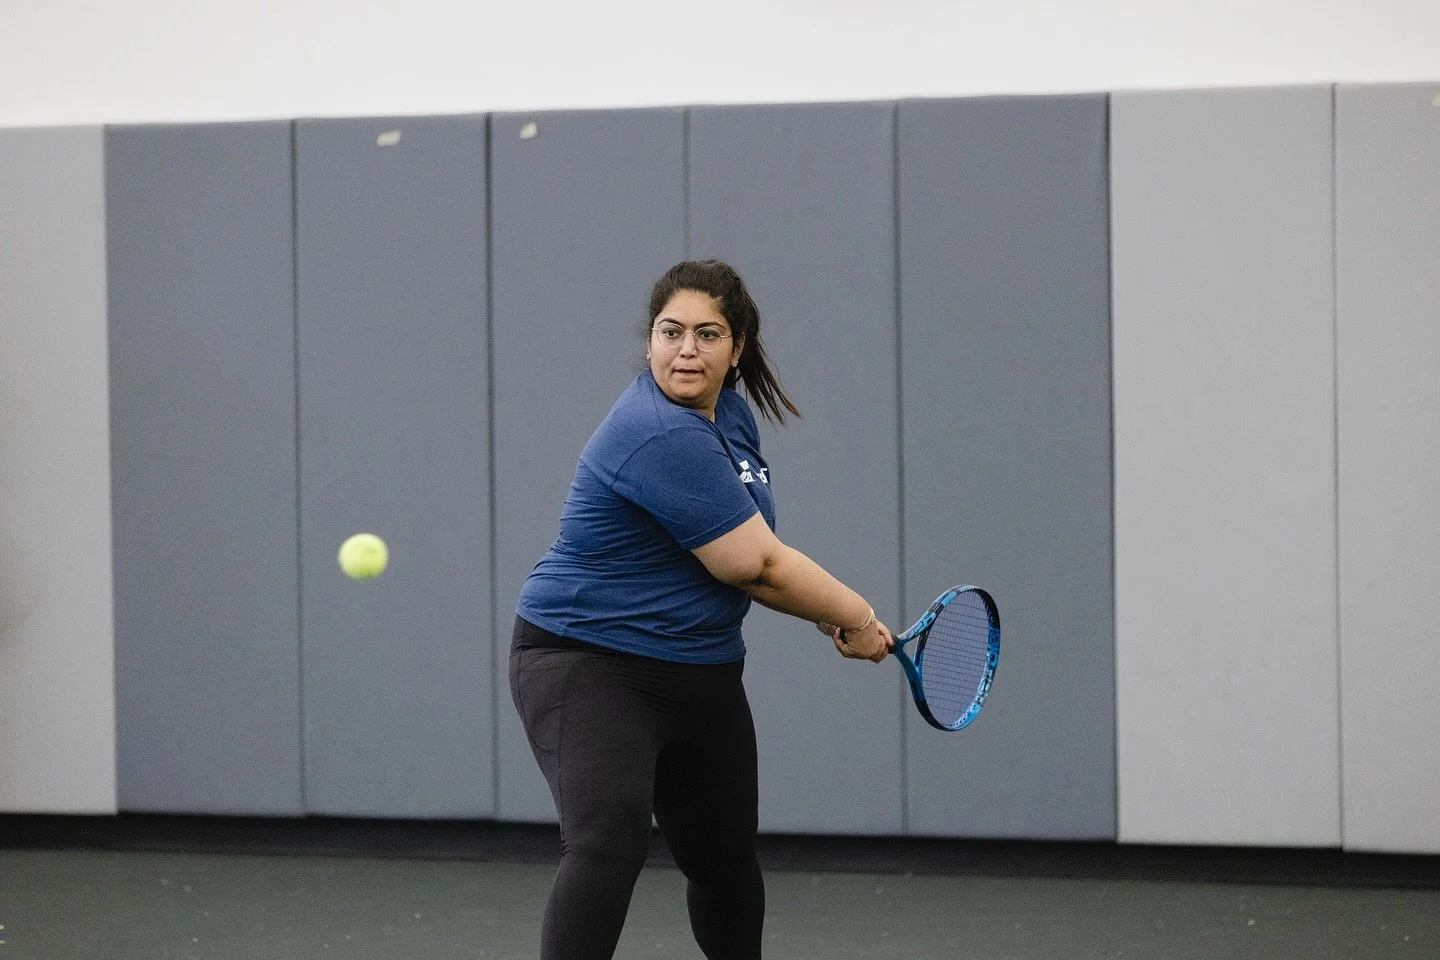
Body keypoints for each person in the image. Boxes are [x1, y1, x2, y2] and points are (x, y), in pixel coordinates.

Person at [509, 259, 893, 960]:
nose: (686, 349)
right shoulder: (658, 432)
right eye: (671, 331)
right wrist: (857, 614)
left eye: (707, 334)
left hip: (702, 672)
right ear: (650, 341)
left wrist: (819, 610)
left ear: (736, 347)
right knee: (607, 841)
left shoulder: (732, 417)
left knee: (723, 860)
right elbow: (755, 564)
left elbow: (753, 549)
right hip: (591, 664)